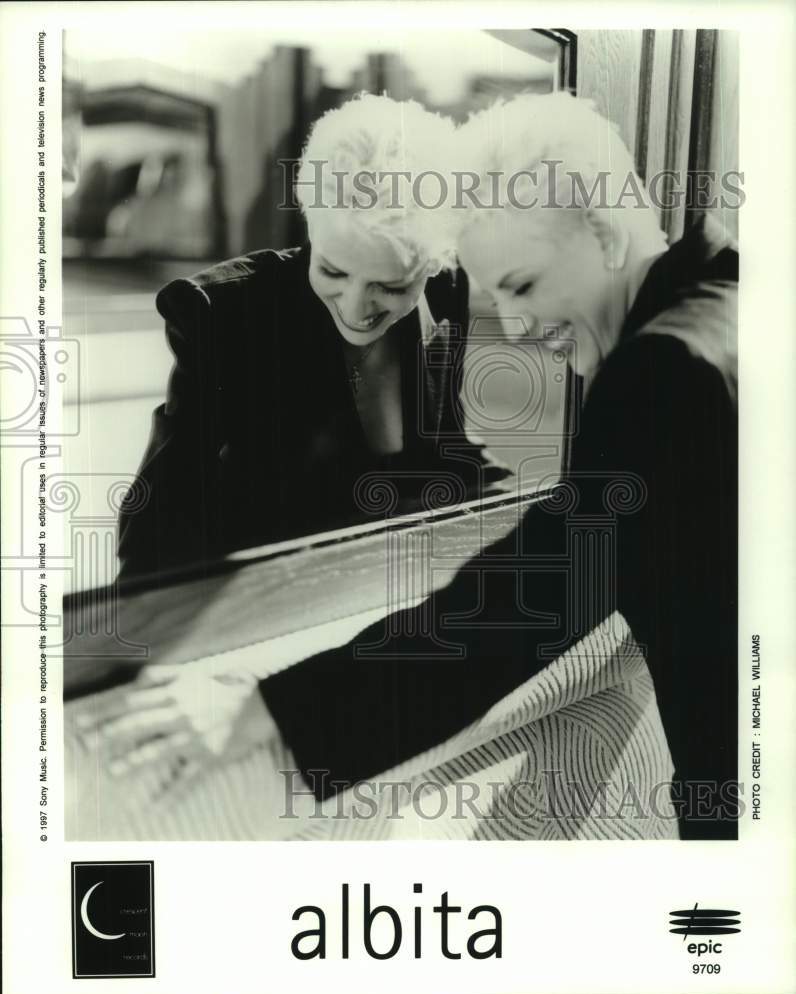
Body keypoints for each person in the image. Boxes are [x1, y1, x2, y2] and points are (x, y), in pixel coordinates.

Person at [99, 93, 737, 840]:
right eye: (502, 292)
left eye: (524, 285)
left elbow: (538, 593)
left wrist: (265, 711)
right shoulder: (735, 295)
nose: (522, 327)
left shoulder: (662, 371)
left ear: (602, 230)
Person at [117, 94, 509, 579]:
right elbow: (154, 535)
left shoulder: (447, 290)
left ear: (434, 264)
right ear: (310, 223)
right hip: (264, 610)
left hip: (389, 593)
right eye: (332, 270)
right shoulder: (223, 314)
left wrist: (518, 514)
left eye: (390, 285)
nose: (354, 308)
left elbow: (447, 456)